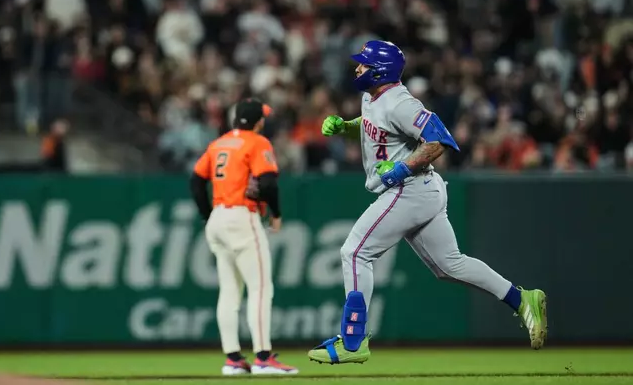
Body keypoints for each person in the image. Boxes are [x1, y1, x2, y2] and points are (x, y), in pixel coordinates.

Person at [307, 41, 548, 364]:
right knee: (451, 265)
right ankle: (521, 299)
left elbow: (441, 139)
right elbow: (378, 135)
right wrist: (346, 128)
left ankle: (353, 341)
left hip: (409, 189)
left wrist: (402, 168)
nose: (357, 68)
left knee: (355, 251)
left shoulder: (400, 103)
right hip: (421, 189)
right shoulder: (371, 96)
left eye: (363, 64)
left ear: (380, 70)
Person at [190, 98, 298, 375]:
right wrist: (275, 213)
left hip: (218, 218)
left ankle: (233, 359)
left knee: (229, 291)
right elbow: (268, 182)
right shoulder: (257, 142)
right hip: (242, 217)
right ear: (258, 121)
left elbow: (196, 179)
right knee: (261, 288)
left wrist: (208, 214)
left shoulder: (220, 143)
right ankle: (263, 357)